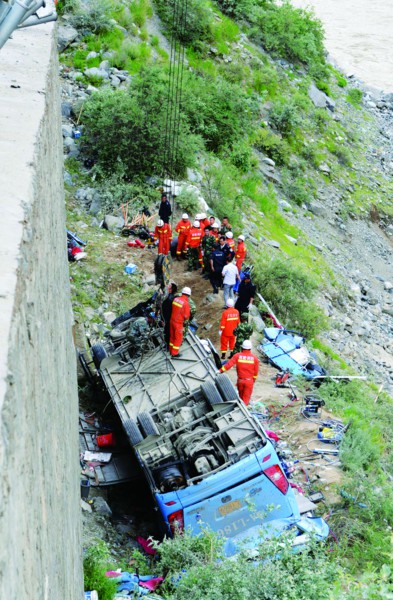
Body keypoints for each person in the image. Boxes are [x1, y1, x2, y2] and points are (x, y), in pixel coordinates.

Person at [219, 340, 259, 406]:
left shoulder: (237, 356)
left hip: (240, 381)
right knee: (246, 399)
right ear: (250, 348)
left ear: (242, 348)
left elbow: (228, 365)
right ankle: (244, 412)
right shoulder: (254, 358)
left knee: (240, 398)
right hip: (249, 381)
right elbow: (256, 372)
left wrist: (220, 371)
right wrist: (253, 380)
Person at [169, 287, 191, 357]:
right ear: (189, 295)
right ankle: (174, 353)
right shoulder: (186, 303)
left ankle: (170, 350)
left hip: (172, 320)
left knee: (172, 336)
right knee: (178, 338)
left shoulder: (176, 299)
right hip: (178, 323)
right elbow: (186, 316)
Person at [161, 282, 178, 348]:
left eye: (169, 286)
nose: (167, 286)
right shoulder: (171, 297)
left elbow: (166, 310)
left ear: (171, 289)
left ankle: (168, 345)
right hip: (168, 318)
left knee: (167, 332)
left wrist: (163, 320)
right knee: (167, 332)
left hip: (167, 319)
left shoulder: (169, 299)